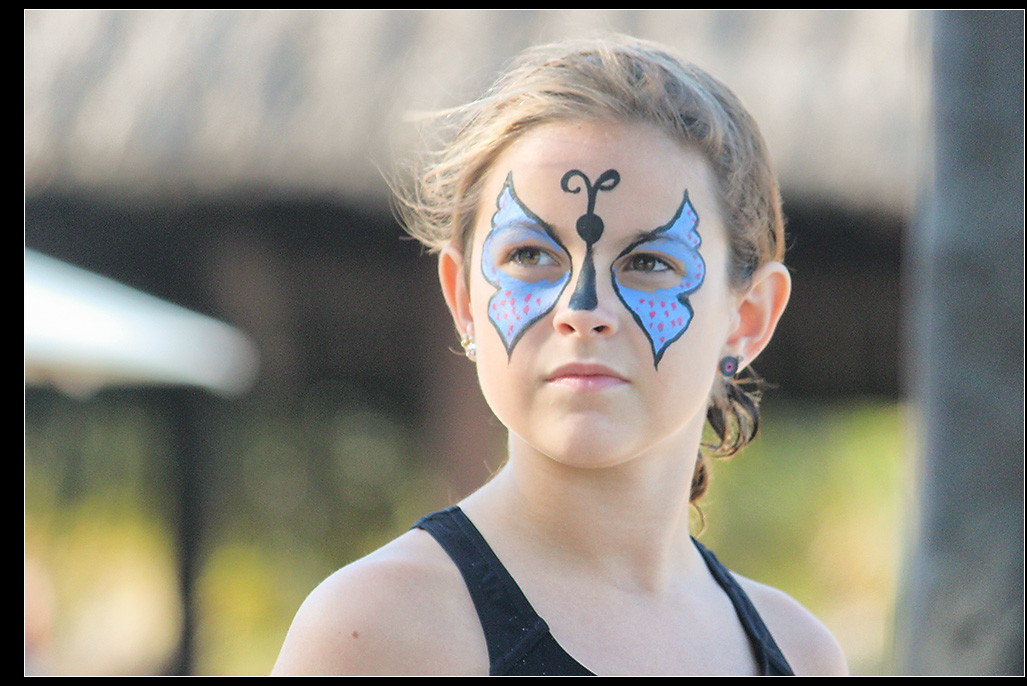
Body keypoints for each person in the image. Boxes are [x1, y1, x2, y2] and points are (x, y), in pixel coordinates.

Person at [272, 35, 848, 676]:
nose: (583, 306)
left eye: (649, 262)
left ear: (748, 316)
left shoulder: (802, 655)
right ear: (463, 298)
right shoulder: (377, 630)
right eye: (530, 255)